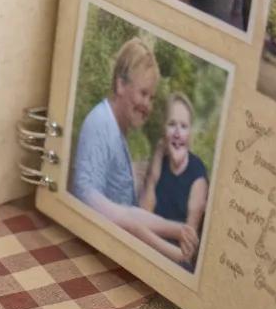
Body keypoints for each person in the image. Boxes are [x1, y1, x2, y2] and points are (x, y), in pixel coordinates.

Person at [71, 38, 199, 265]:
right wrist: (175, 253)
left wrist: (179, 230)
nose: (147, 105)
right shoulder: (102, 124)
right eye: (143, 93)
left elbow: (128, 212)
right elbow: (117, 216)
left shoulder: (115, 130)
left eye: (151, 97)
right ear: (120, 85)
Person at [140, 91, 209, 270]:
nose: (178, 133)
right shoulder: (159, 162)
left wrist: (145, 238)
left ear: (190, 132)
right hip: (147, 255)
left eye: (184, 126)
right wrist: (153, 173)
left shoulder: (198, 175)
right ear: (164, 129)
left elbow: (186, 252)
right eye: (172, 125)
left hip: (175, 265)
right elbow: (142, 215)